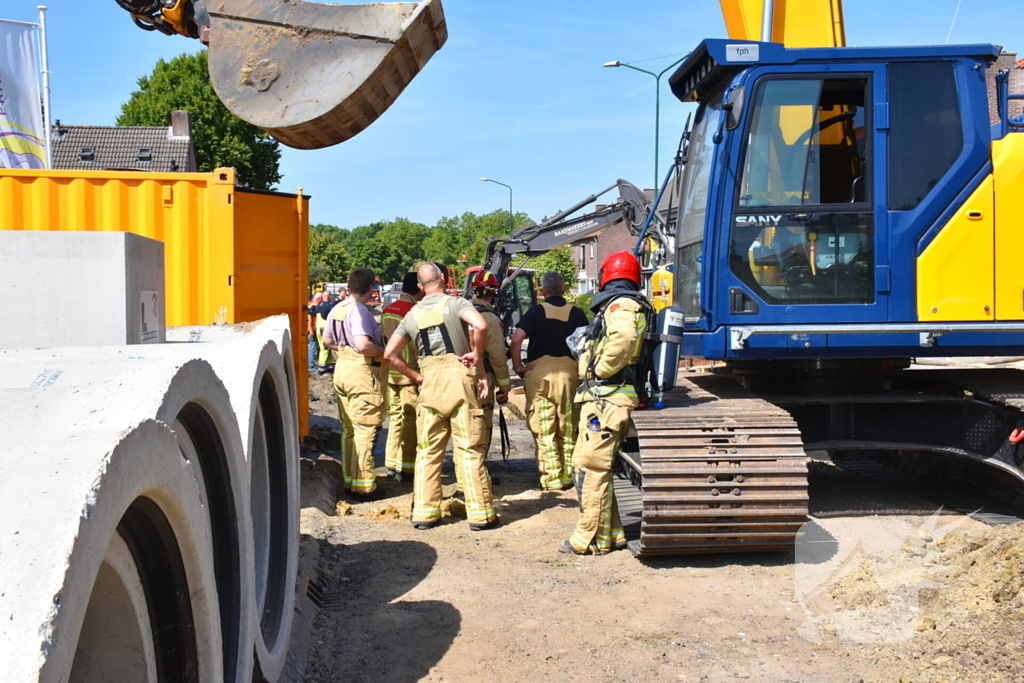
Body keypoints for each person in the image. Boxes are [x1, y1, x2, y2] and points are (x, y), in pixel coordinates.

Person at [383, 262, 498, 531]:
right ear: (444, 279)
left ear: (420, 286)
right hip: (460, 381)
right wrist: (476, 356)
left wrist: (416, 377)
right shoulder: (456, 304)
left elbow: (390, 354)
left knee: (428, 451)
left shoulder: (412, 314)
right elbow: (480, 326)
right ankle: (480, 515)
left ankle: (425, 513)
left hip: (430, 384)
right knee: (468, 449)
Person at [561, 251, 651, 555]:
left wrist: (599, 370)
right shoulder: (623, 303)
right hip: (605, 398)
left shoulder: (621, 303)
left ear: (606, 276)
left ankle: (585, 539)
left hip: (608, 398)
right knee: (588, 465)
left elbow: (624, 338)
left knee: (591, 467)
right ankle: (609, 536)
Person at [510, 271, 589, 491]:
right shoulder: (577, 314)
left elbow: (516, 340)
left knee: (544, 428)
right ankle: (569, 477)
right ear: (564, 290)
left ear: (543, 290)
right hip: (569, 375)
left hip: (539, 375)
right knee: (568, 426)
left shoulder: (535, 312)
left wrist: (518, 367)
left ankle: (551, 479)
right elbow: (586, 344)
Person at [322, 269, 386, 498]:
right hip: (361, 374)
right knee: (365, 429)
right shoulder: (359, 311)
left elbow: (327, 340)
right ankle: (364, 486)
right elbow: (363, 345)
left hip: (343, 370)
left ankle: (350, 479)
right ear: (371, 288)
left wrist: (345, 351)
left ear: (349, 286)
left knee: (349, 428)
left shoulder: (338, 308)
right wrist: (385, 352)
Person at [380, 271, 424, 481]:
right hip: (408, 374)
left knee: (395, 418)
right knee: (410, 420)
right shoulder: (413, 311)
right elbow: (417, 345)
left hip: (390, 373)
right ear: (419, 288)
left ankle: (390, 463)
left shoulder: (388, 310)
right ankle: (406, 467)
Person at [469, 270, 512, 458]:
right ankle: (478, 465)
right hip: (483, 379)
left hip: (460, 377)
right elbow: (497, 356)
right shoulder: (490, 319)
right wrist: (504, 388)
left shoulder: (462, 313)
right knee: (482, 421)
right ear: (494, 292)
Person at [315, 290, 337, 375]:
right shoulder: (329, 306)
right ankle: (322, 368)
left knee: (322, 348)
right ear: (330, 297)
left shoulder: (318, 306)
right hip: (325, 329)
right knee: (325, 348)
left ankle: (322, 366)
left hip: (318, 329)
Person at [307, 290, 324, 371]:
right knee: (313, 349)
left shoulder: (312, 305)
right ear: (318, 299)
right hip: (313, 331)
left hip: (314, 330)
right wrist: (311, 330)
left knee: (315, 349)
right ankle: (311, 366)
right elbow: (309, 319)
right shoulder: (313, 307)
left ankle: (313, 365)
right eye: (322, 298)